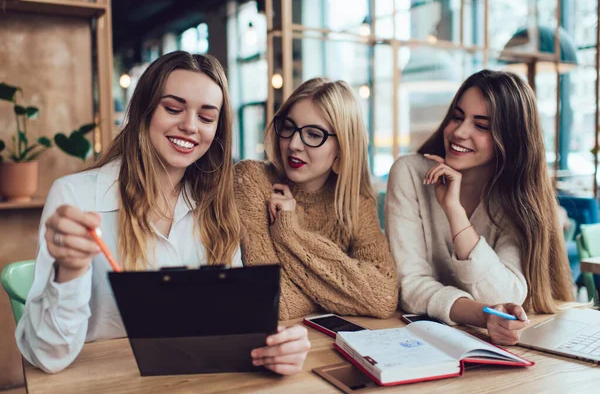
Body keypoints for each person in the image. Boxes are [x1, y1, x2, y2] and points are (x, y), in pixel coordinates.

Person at [16, 51, 310, 375]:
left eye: (207, 117)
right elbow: (47, 355)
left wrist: (276, 349)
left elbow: (233, 328)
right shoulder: (75, 196)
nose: (189, 126)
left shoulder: (217, 205)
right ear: (143, 110)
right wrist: (69, 271)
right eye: (173, 109)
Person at [385, 69, 574, 345]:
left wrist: (455, 213)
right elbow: (410, 285)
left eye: (481, 126)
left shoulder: (515, 199)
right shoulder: (410, 174)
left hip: (493, 348)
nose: (459, 132)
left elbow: (505, 295)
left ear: (510, 140)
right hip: (420, 339)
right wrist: (482, 316)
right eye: (457, 116)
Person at [234, 77, 398, 320]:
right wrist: (340, 294)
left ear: (343, 146)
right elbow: (273, 301)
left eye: (313, 134)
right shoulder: (251, 180)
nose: (294, 144)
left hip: (326, 345)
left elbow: (383, 297)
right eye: (288, 127)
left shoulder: (355, 203)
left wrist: (290, 233)